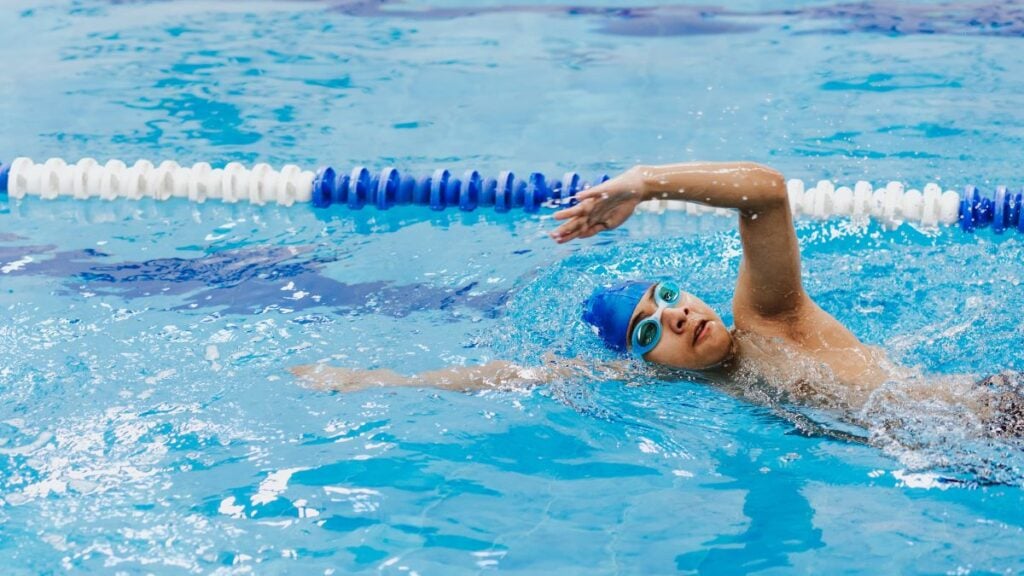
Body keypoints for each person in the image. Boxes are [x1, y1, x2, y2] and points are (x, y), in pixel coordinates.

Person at [293, 161, 1021, 438]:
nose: (675, 315)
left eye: (666, 298)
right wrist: (380, 381)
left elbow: (765, 194)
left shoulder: (767, 318)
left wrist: (644, 181)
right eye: (651, 332)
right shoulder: (713, 386)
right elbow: (521, 380)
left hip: (996, 412)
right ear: (653, 366)